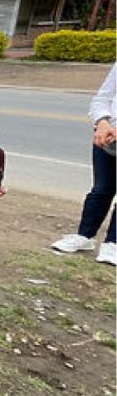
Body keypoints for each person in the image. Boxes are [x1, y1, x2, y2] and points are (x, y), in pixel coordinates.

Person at [51, 64, 116, 265]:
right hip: (108, 138)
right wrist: (102, 122)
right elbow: (102, 98)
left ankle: (113, 243)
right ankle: (85, 236)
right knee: (101, 189)